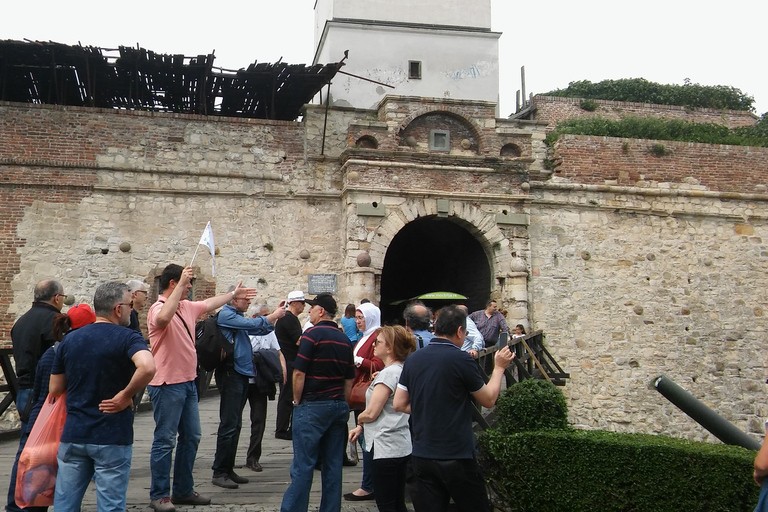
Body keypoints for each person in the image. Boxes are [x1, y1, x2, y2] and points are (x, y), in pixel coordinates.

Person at [146, 264, 256, 512]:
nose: (190, 290)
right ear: (173, 284)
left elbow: (209, 304)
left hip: (187, 383)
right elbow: (163, 320)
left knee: (192, 436)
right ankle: (160, 494)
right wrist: (182, 283)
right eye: (187, 285)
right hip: (166, 384)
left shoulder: (186, 307)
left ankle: (183, 490)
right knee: (165, 440)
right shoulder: (158, 308)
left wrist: (232, 294)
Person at [394, 305, 515, 512]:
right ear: (460, 331)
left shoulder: (413, 359)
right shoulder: (461, 359)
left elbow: (399, 403)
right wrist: (500, 368)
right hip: (456, 453)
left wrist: (429, 408)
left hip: (423, 452)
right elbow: (488, 400)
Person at [49, 282, 155, 512]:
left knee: (65, 503)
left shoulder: (70, 340)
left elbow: (55, 388)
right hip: (112, 433)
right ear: (118, 309)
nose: (130, 310)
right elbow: (147, 367)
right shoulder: (129, 337)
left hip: (75, 431)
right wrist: (125, 395)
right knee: (111, 505)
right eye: (129, 305)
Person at [5, 304, 96, 512]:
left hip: (41, 414)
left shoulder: (53, 351)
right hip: (52, 420)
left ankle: (17, 507)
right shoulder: (64, 353)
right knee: (39, 473)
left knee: (33, 467)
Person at [280, 293, 355, 512]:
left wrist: (297, 400)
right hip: (337, 405)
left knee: (303, 465)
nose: (309, 311)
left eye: (312, 308)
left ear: (321, 311)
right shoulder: (344, 340)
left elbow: (299, 373)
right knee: (333, 466)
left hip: (313, 405)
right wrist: (343, 402)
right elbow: (349, 379)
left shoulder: (312, 335)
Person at [212, 295, 285, 488]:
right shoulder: (227, 315)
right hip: (231, 373)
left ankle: (227, 469)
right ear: (234, 301)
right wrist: (273, 316)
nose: (248, 302)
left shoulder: (236, 317)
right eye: (245, 299)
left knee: (235, 424)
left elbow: (262, 329)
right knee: (229, 424)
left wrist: (273, 318)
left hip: (241, 374)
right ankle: (220, 470)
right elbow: (253, 325)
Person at [349, 325, 417, 512]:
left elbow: (372, 413)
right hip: (400, 443)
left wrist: (360, 419)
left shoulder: (388, 374)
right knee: (396, 502)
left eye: (378, 342)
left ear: (390, 348)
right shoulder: (401, 369)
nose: (374, 346)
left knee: (387, 503)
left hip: (385, 446)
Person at [11, 280, 66, 432]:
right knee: (47, 442)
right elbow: (61, 354)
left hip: (23, 388)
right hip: (45, 390)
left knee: (26, 442)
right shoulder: (55, 320)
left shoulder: (21, 321)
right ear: (56, 298)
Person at [344, 302, 384, 501]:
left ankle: (369, 485)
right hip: (361, 393)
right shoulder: (366, 336)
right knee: (364, 438)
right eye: (357, 318)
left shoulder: (377, 336)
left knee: (367, 439)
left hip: (367, 393)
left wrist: (358, 361)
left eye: (361, 318)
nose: (358, 322)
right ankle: (371, 483)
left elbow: (380, 363)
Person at [245, 305, 287, 472]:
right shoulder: (245, 330)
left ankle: (253, 457)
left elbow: (279, 352)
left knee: (259, 420)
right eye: (266, 315)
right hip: (243, 379)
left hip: (260, 380)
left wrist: (283, 372)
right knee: (233, 422)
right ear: (256, 317)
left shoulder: (269, 332)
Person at [274, 290, 306, 441]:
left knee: (287, 395)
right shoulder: (289, 319)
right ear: (294, 303)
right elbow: (298, 340)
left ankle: (284, 427)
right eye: (302, 302)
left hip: (289, 360)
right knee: (287, 396)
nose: (304, 306)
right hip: (289, 361)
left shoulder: (290, 318)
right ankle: (282, 429)